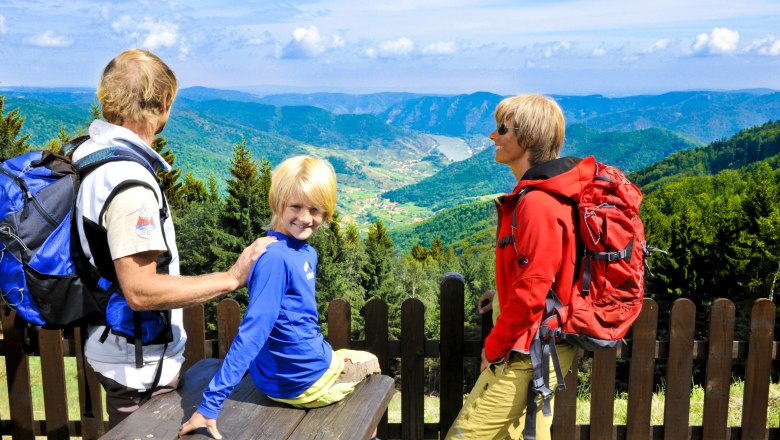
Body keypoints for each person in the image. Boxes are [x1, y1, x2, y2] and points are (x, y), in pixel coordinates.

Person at [72, 48, 275, 428]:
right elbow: (141, 291)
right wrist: (231, 278)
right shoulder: (128, 184)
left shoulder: (92, 154)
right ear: (163, 103)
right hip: (138, 370)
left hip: (113, 347)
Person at [178, 155, 380, 440]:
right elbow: (253, 332)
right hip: (303, 383)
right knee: (372, 364)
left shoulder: (299, 251)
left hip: (273, 378)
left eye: (315, 209)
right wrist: (209, 406)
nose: (306, 218)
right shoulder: (276, 259)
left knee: (343, 356)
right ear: (277, 203)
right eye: (295, 206)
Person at [446, 94, 578, 439]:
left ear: (528, 140)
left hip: (525, 351)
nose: (493, 136)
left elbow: (533, 292)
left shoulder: (537, 203)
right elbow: (542, 274)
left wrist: (493, 348)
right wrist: (502, 295)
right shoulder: (546, 193)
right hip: (539, 345)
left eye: (503, 129)